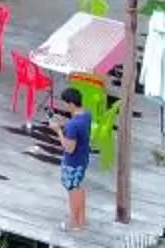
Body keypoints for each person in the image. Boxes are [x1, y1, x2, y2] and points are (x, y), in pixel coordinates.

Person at [55, 85, 93, 231]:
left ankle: (74, 223)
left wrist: (59, 131)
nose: (64, 106)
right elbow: (76, 126)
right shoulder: (86, 115)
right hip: (83, 159)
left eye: (65, 103)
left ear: (71, 104)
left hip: (73, 162)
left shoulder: (73, 125)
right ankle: (82, 220)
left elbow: (69, 148)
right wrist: (64, 122)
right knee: (78, 188)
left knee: (72, 190)